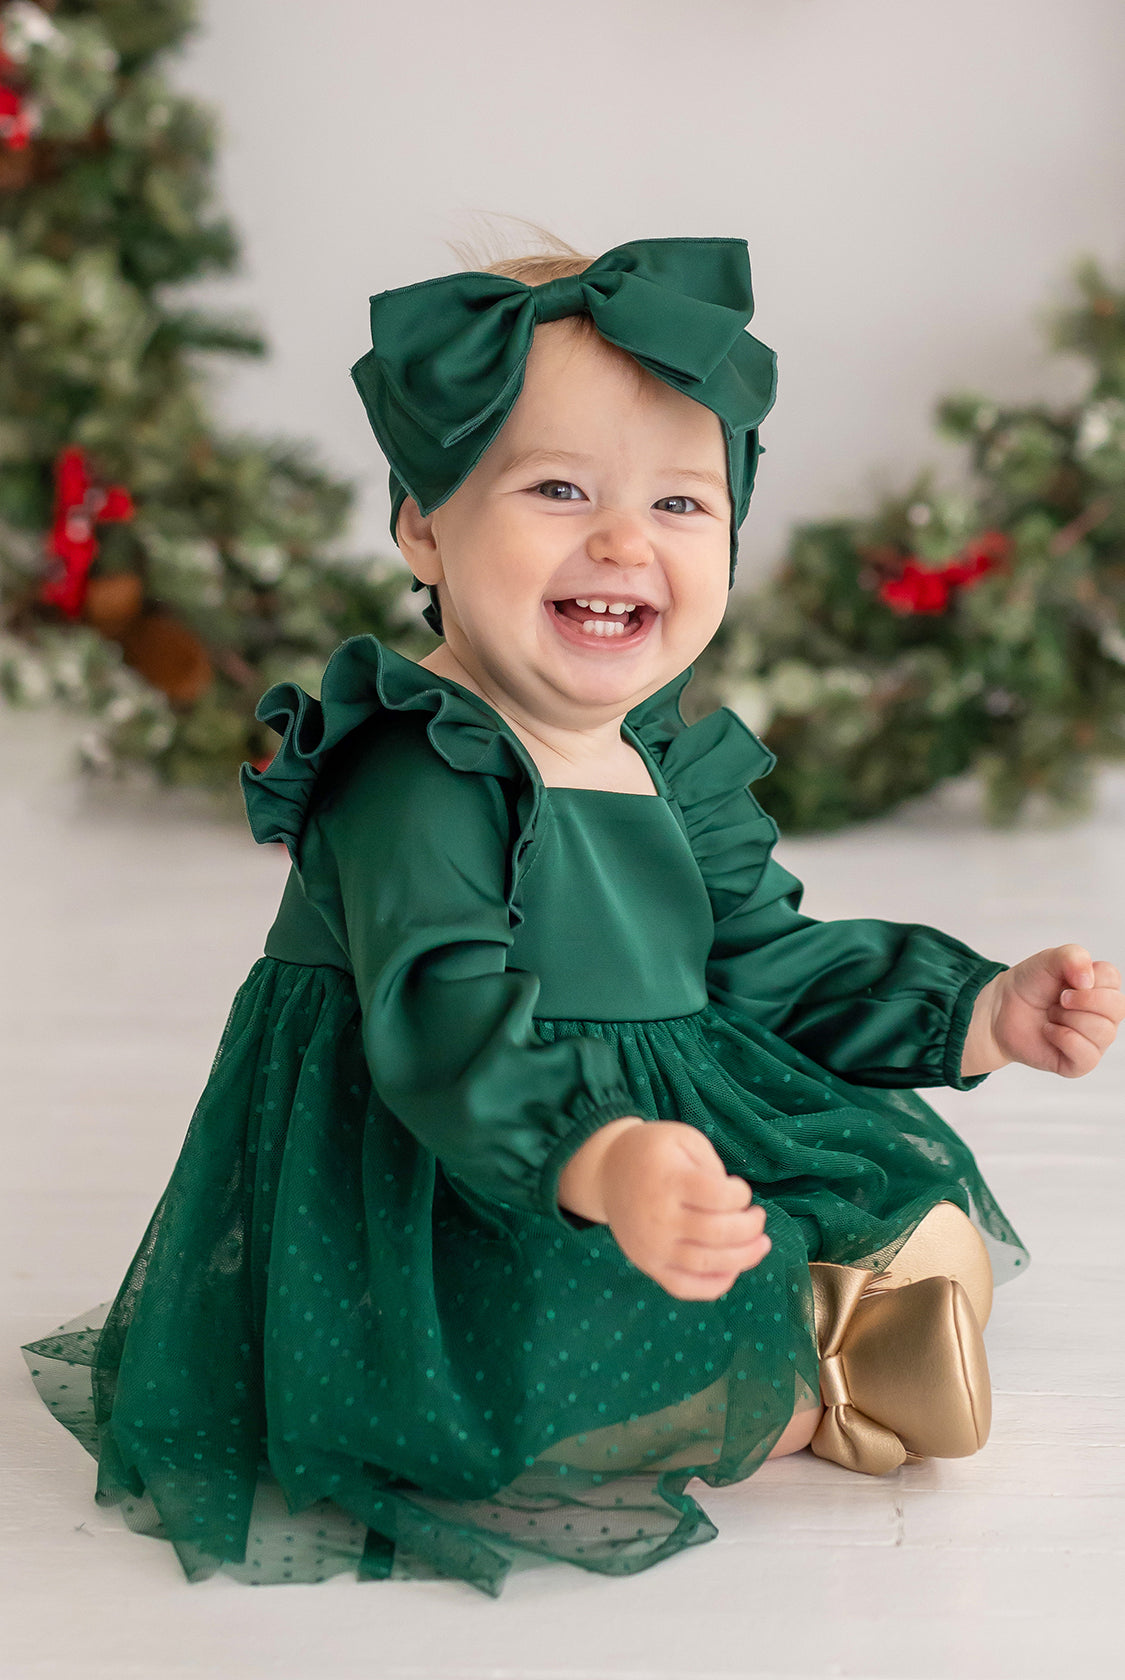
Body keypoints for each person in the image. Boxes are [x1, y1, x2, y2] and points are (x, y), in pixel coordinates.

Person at [22, 233, 1123, 1598]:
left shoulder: (664, 757)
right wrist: (596, 1161)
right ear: (425, 525)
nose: (622, 541)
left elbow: (767, 968)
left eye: (681, 503)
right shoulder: (421, 763)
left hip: (657, 1124)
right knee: (540, 1354)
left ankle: (829, 1308)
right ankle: (823, 1372)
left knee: (837, 1187)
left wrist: (979, 1008)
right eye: (557, 489)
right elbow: (441, 1028)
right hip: (459, 1159)